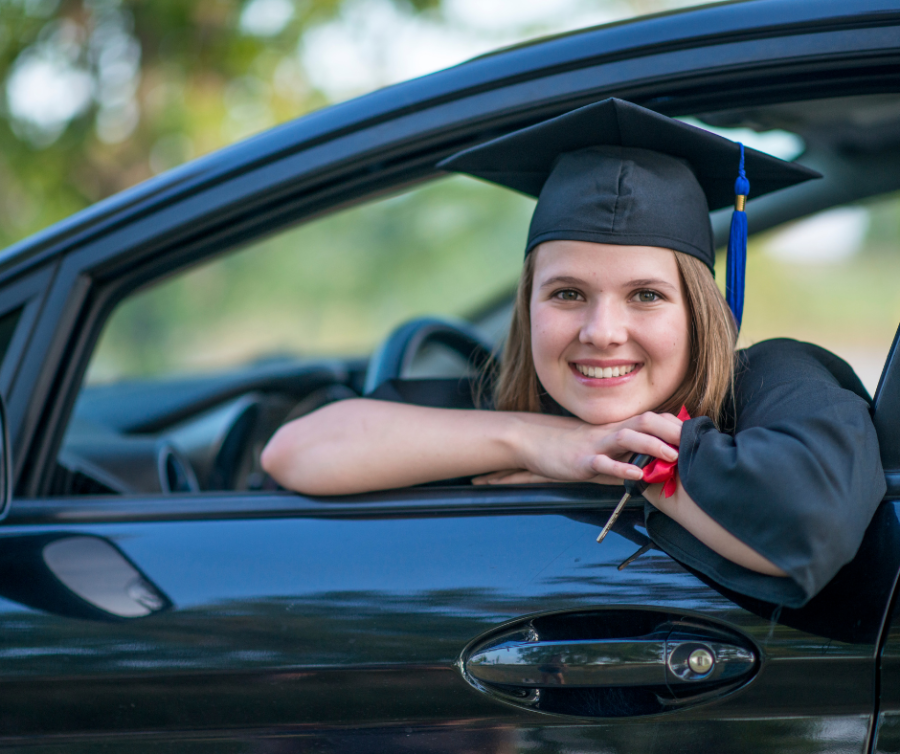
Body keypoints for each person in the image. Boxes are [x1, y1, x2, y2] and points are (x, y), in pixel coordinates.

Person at [262, 99, 885, 608]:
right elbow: (297, 451)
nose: (601, 331)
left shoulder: (773, 381)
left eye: (645, 295)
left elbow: (809, 521)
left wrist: (618, 464)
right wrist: (541, 442)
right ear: (527, 306)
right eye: (567, 293)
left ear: (702, 313)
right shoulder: (502, 408)